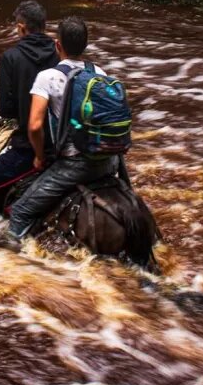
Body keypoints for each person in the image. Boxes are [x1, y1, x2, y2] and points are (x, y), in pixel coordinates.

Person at [7, 16, 119, 239]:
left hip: (75, 165)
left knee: (19, 212)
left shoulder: (47, 77)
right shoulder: (99, 72)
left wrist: (39, 157)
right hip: (110, 161)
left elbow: (35, 125)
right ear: (85, 45)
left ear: (57, 45)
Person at [0, 0, 58, 221]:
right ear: (44, 25)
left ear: (21, 27)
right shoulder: (60, 53)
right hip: (63, 142)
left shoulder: (11, 57)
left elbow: (7, 110)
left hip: (29, 146)